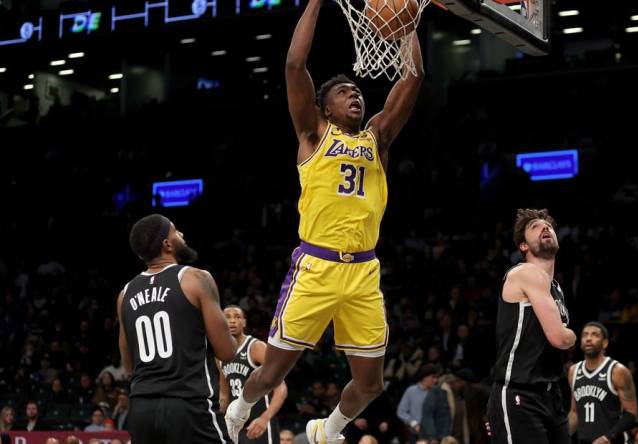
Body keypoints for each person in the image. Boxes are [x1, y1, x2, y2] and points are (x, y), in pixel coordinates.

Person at [224, 0, 424, 441]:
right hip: (316, 268)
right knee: (272, 372)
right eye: (342, 92)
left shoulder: (378, 136)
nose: (355, 94)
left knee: (372, 384)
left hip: (363, 272)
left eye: (357, 90)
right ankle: (239, 407)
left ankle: (327, 430)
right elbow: (295, 63)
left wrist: (408, 23)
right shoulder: (313, 134)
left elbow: (414, 77)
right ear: (325, 108)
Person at [118, 214, 237, 443]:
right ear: (167, 244)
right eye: (175, 231)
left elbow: (128, 365)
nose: (181, 234)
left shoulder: (125, 294)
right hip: (188, 405)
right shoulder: (195, 278)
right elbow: (227, 352)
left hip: (141, 409)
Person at [487, 209, 576, 444]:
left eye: (548, 226)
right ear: (523, 246)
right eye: (535, 227)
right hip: (519, 392)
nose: (545, 228)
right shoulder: (525, 272)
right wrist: (572, 336)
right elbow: (560, 338)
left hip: (551, 394)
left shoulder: (555, 287)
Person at [219, 306, 288, 444]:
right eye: (227, 317)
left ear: (244, 322)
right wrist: (218, 422)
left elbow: (281, 389)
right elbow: (224, 395)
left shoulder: (256, 347)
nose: (232, 321)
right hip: (236, 424)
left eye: (237, 317)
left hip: (259, 420)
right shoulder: (220, 354)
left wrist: (265, 418)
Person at [568, 322, 638, 444]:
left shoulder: (618, 371)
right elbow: (575, 412)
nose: (588, 338)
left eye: (595, 335)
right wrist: (561, 436)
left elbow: (631, 413)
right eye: (585, 335)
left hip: (613, 441)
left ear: (605, 343)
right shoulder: (573, 371)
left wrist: (607, 438)